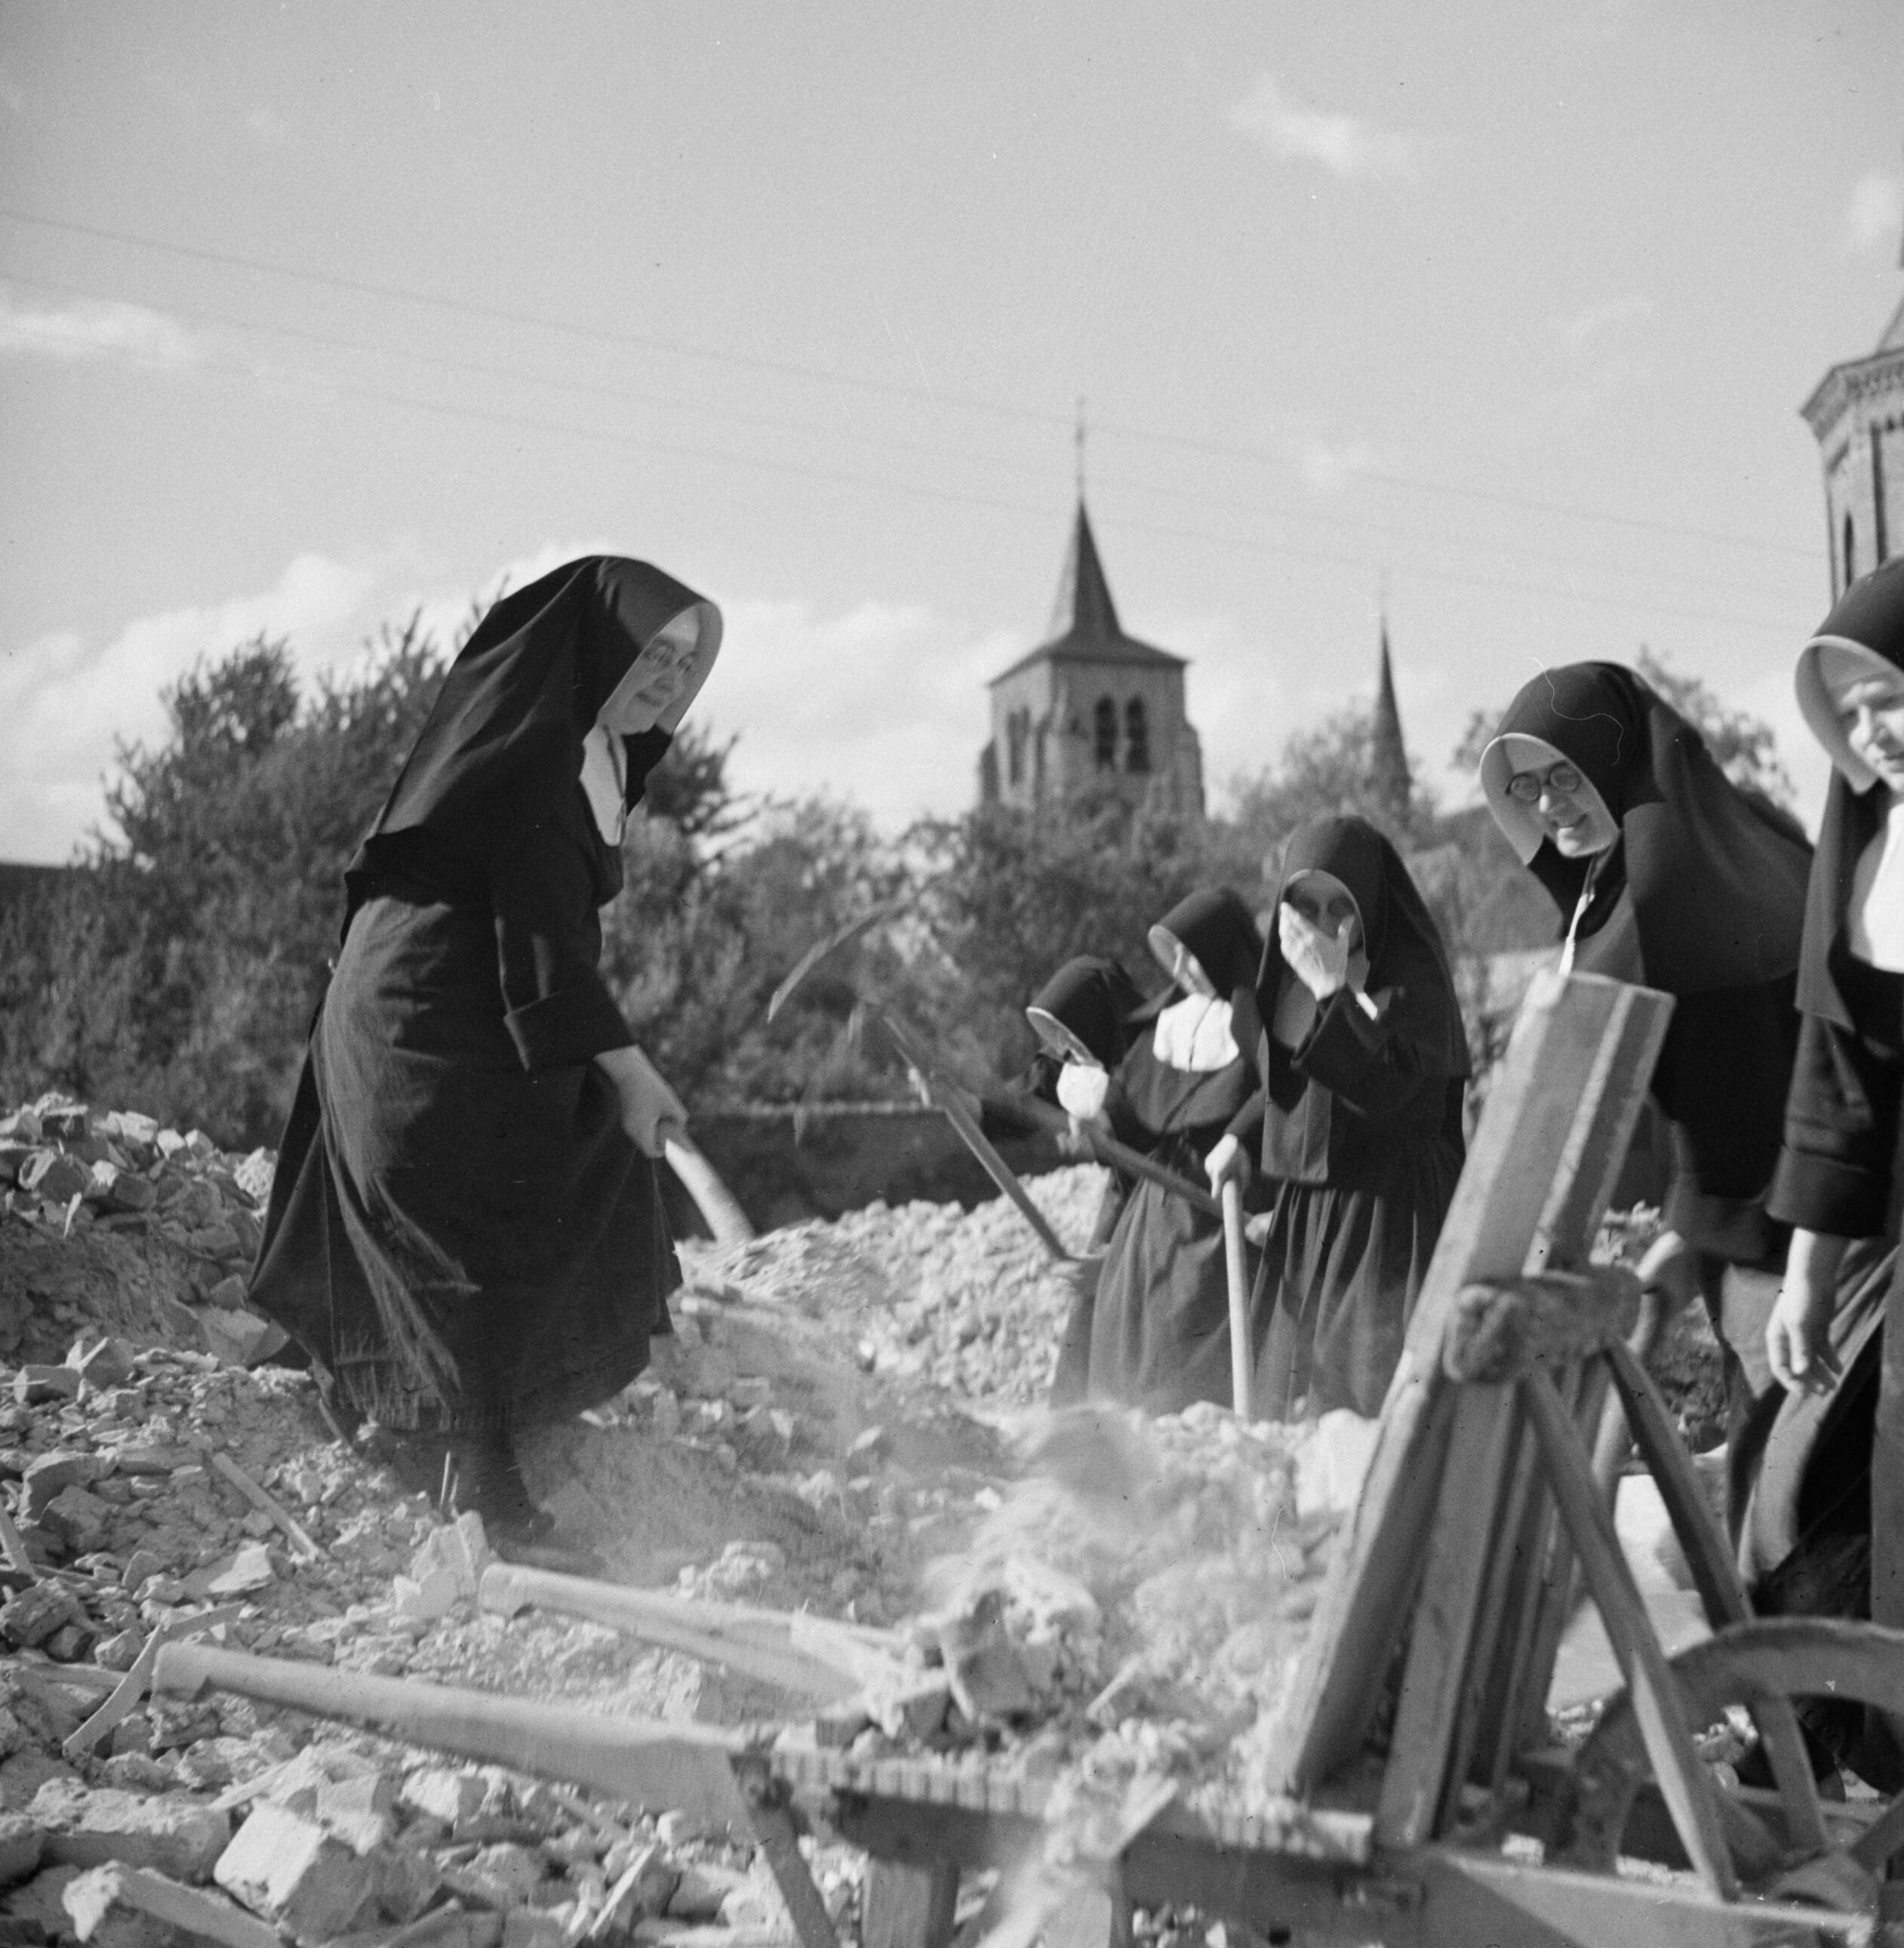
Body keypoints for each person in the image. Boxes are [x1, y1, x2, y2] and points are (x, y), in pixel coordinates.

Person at [249, 555, 721, 1552]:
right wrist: (631, 1071)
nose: (671, 678)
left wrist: (616, 1071)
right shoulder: (537, 761)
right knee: (471, 1218)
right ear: (599, 650)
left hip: (480, 1000)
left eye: (686, 662)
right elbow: (544, 947)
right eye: (653, 654)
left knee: (578, 1160)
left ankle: (470, 1409)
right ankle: (480, 1483)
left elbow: (544, 950)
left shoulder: (593, 755)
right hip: (419, 1015)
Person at [1476, 661, 1816, 1516]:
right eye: (1527, 786)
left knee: (1790, 1503)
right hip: (1743, 1229)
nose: (1548, 805)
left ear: (1618, 764)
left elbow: (1742, 1091)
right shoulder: (1625, 874)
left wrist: (1687, 1230)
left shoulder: (1675, 889)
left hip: (1792, 1241)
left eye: (1566, 776)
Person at [1755, 556, 1904, 1786]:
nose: (1871, 730)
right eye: (1848, 712)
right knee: (1820, 1489)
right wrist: (1806, 1273)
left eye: (1889, 695)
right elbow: (1841, 1079)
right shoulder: (1872, 856)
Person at [1210, 815, 1469, 1419]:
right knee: (1289, 1395)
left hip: (1389, 1213)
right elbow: (1292, 1085)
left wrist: (1333, 992)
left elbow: (1392, 1093)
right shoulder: (1292, 988)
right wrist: (1240, 1137)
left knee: (1361, 1397)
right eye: (1306, 906)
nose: (1322, 924)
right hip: (1311, 1214)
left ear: (1369, 907)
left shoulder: (1411, 989)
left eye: (1340, 907)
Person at [1084, 888, 1263, 1413]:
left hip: (1221, 1209)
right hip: (1153, 1217)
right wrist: (1101, 1119)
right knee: (1135, 1328)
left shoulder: (1259, 1022)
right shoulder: (1164, 1026)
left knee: (1192, 1336)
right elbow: (1137, 1117)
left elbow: (1276, 1099)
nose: (1182, 969)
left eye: (1194, 954)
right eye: (1174, 956)